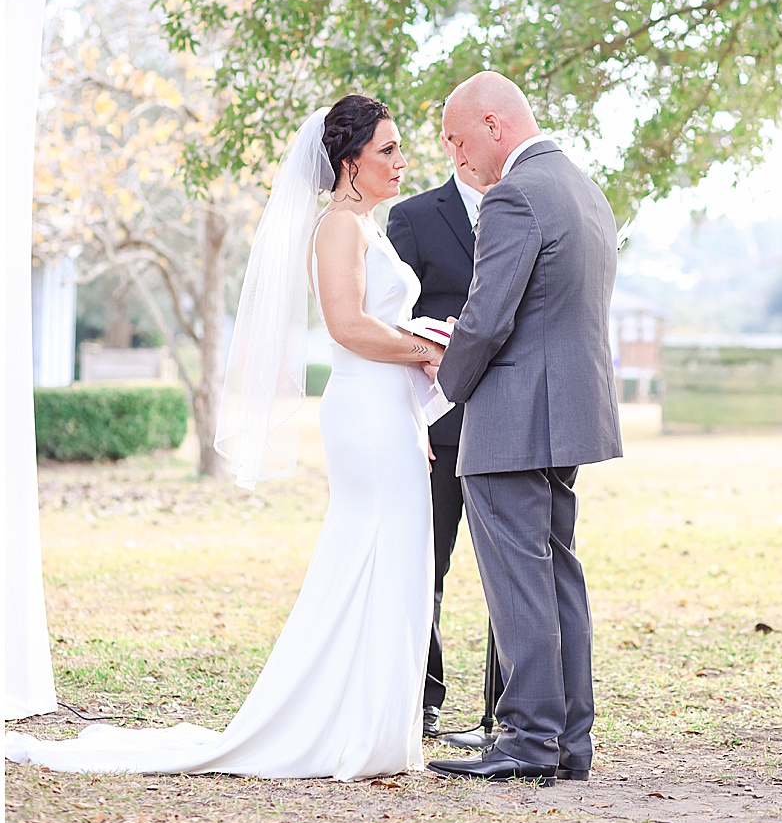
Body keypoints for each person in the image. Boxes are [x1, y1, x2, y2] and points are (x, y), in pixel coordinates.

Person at [6, 95, 444, 781]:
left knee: (396, 562)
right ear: (349, 161)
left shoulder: (366, 226)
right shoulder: (338, 229)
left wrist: (417, 386)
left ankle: (371, 723)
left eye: (397, 148)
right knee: (371, 556)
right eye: (387, 150)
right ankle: (346, 728)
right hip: (365, 414)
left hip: (391, 414)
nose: (401, 161)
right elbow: (346, 327)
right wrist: (426, 348)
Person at [426, 72, 622, 786]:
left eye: (457, 136)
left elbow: (488, 316)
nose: (454, 153)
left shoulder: (513, 194)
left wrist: (436, 396)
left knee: (518, 580)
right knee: (558, 567)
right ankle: (570, 739)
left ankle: (530, 736)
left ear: (494, 123)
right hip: (568, 410)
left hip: (511, 418)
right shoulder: (582, 187)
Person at [387, 136, 492, 738]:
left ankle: (501, 710)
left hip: (509, 423)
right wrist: (411, 416)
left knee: (511, 573)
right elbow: (394, 326)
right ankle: (423, 698)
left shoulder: (525, 211)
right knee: (426, 565)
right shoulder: (415, 217)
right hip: (439, 428)